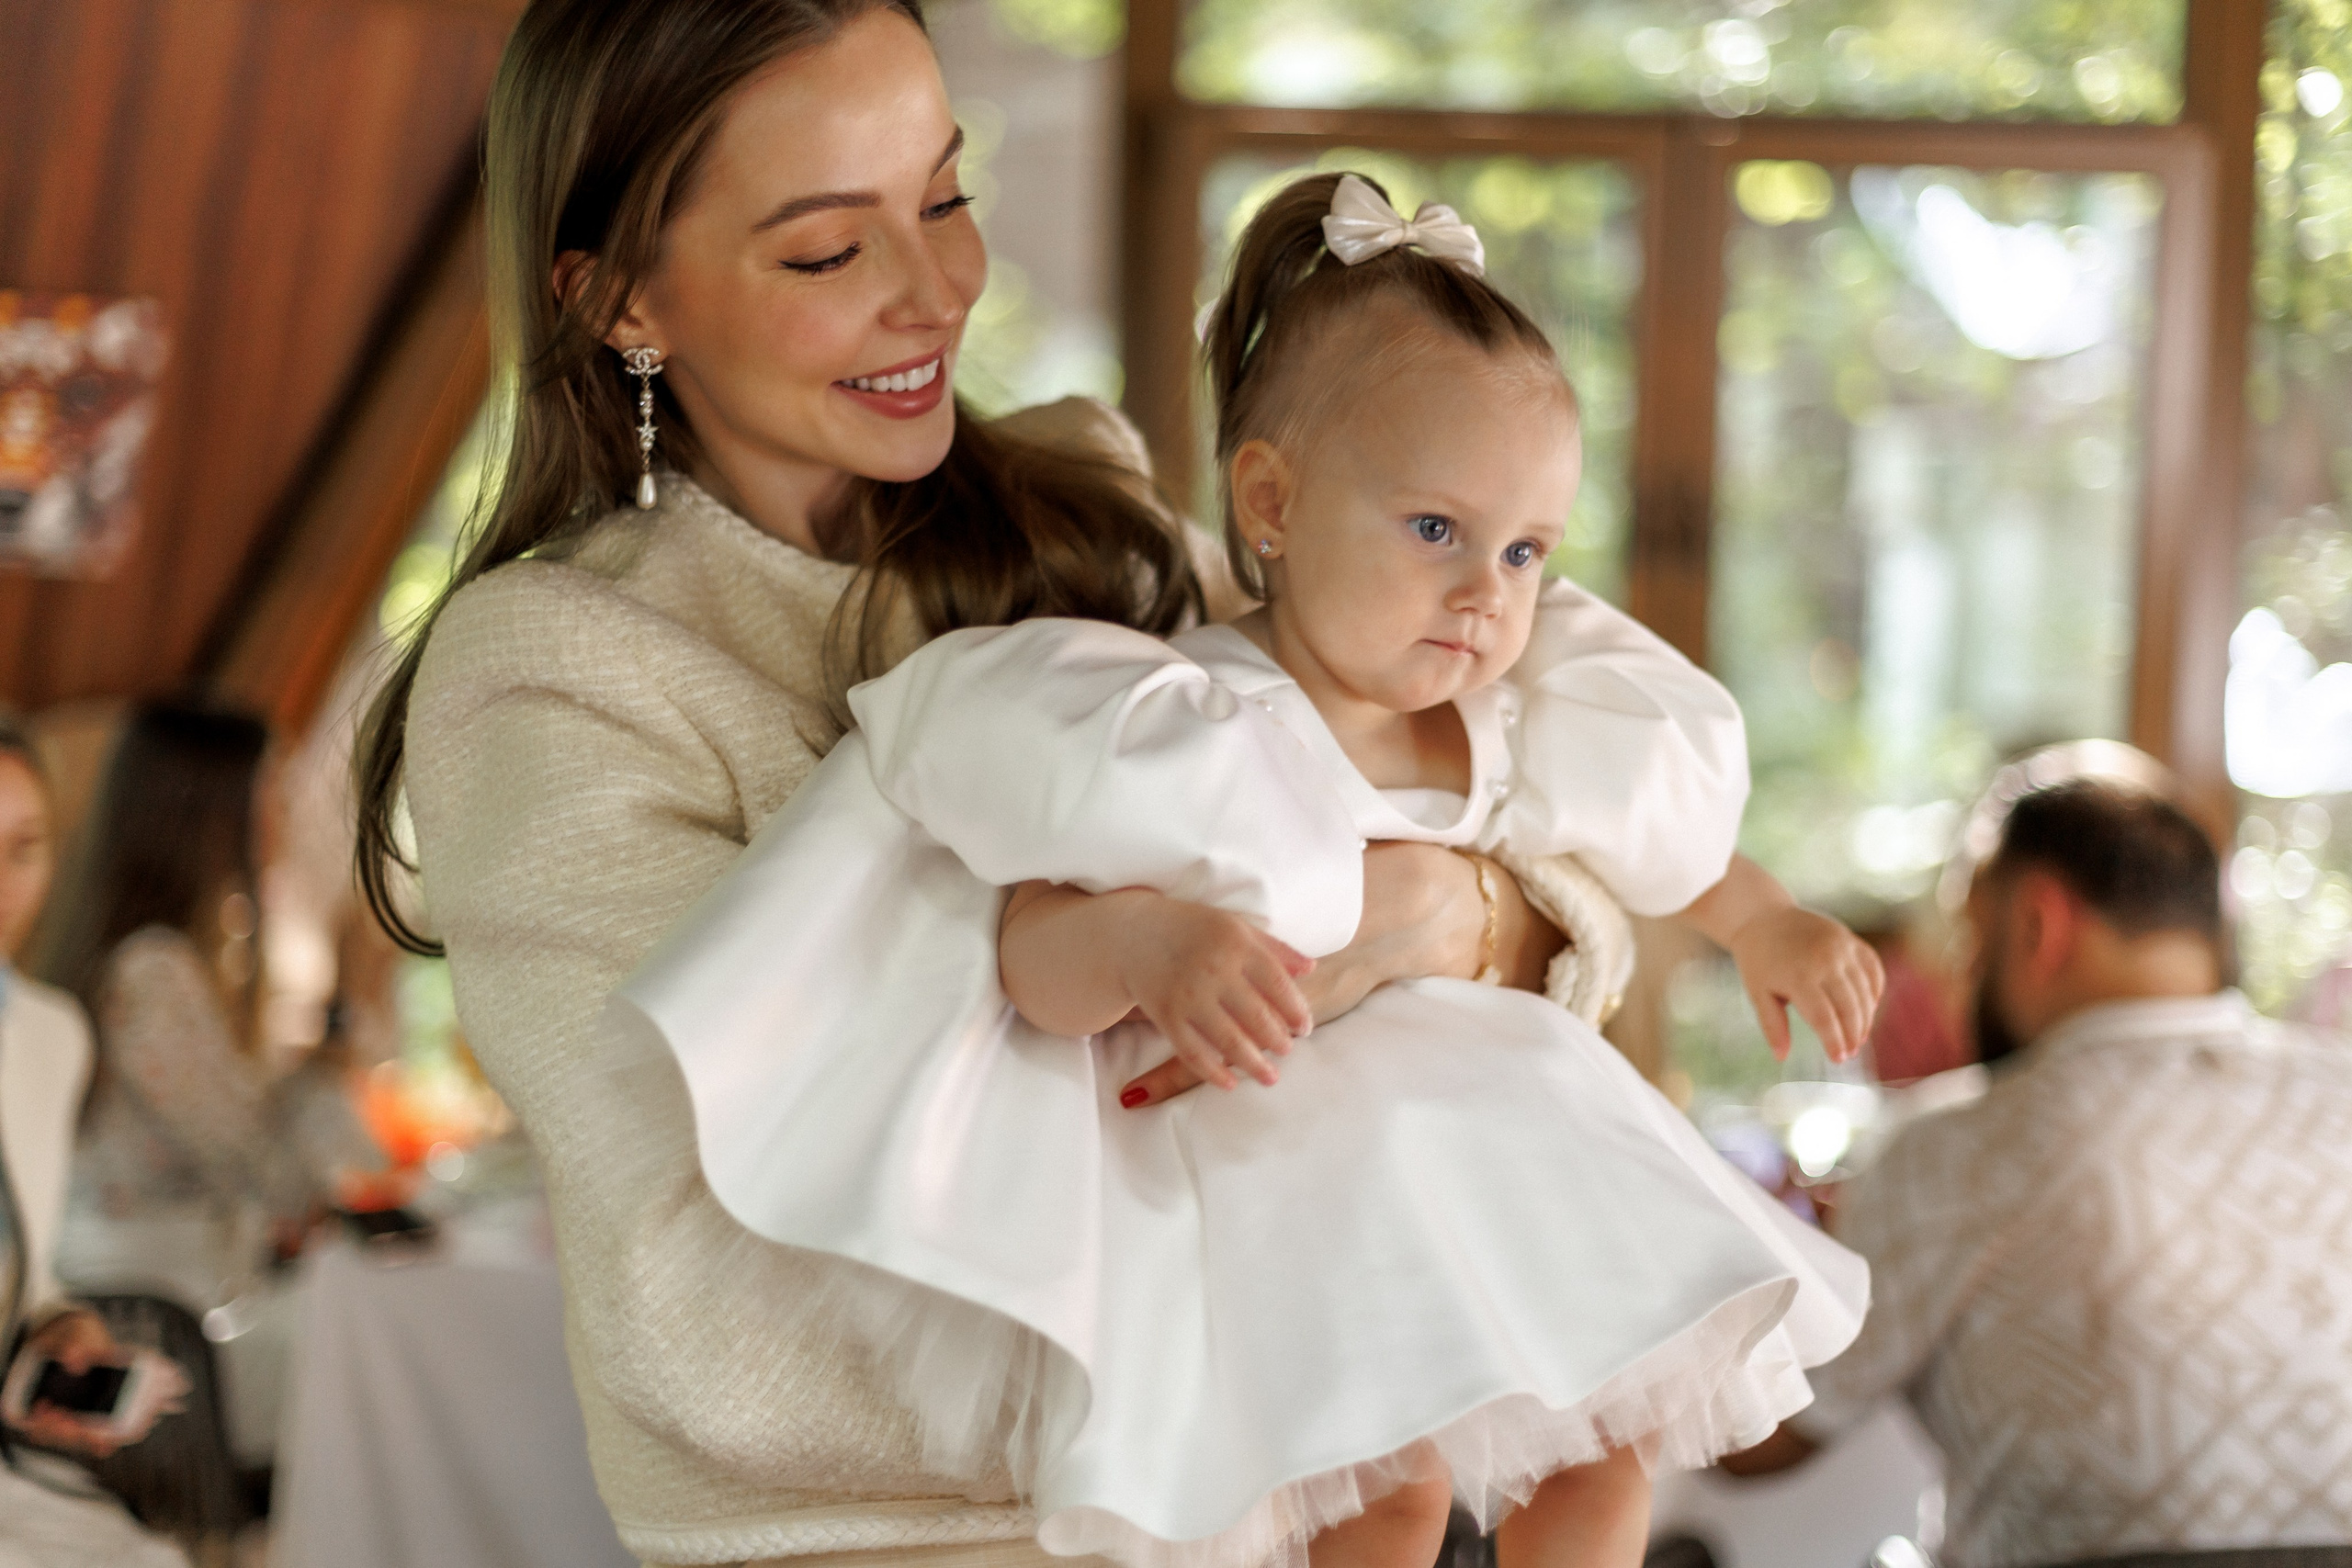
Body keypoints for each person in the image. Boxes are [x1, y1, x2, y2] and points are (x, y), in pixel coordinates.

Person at [361, 4, 1745, 1563]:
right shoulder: (559, 663)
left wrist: (1461, 914)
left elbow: (1507, 858)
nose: (940, 289)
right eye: (829, 253)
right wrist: (1342, 960)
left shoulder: (1102, 520)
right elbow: (726, 1300)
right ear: (619, 298)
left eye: (945, 198)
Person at [624, 171, 1879, 1568]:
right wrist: (1152, 953)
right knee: (1380, 1485)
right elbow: (1031, 952)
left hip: (1517, 1156)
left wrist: (1766, 921)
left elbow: (1660, 847)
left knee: (1600, 1453)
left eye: (1527, 549)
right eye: (1435, 530)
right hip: (1297, 1182)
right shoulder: (1186, 720)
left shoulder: (1515, 724)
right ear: (1269, 501)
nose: (1486, 593)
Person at [1723, 780, 2352, 1566]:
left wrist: (1787, 1259)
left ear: (2037, 923)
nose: (1960, 977)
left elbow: (1757, 1434)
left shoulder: (1958, 1145)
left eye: (1970, 942)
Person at [37, 705, 313, 1480]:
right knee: (371, 1362)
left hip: (161, 1286)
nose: (284, 813)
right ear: (210, 810)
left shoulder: (149, 951)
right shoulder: (153, 966)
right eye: (274, 791)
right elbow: (244, 1145)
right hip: (153, 1306)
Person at [0, 713, 189, 1568]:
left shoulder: (49, 1035)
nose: (1, 882)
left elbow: (30, 1271)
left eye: (25, 847)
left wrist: (59, 1330)